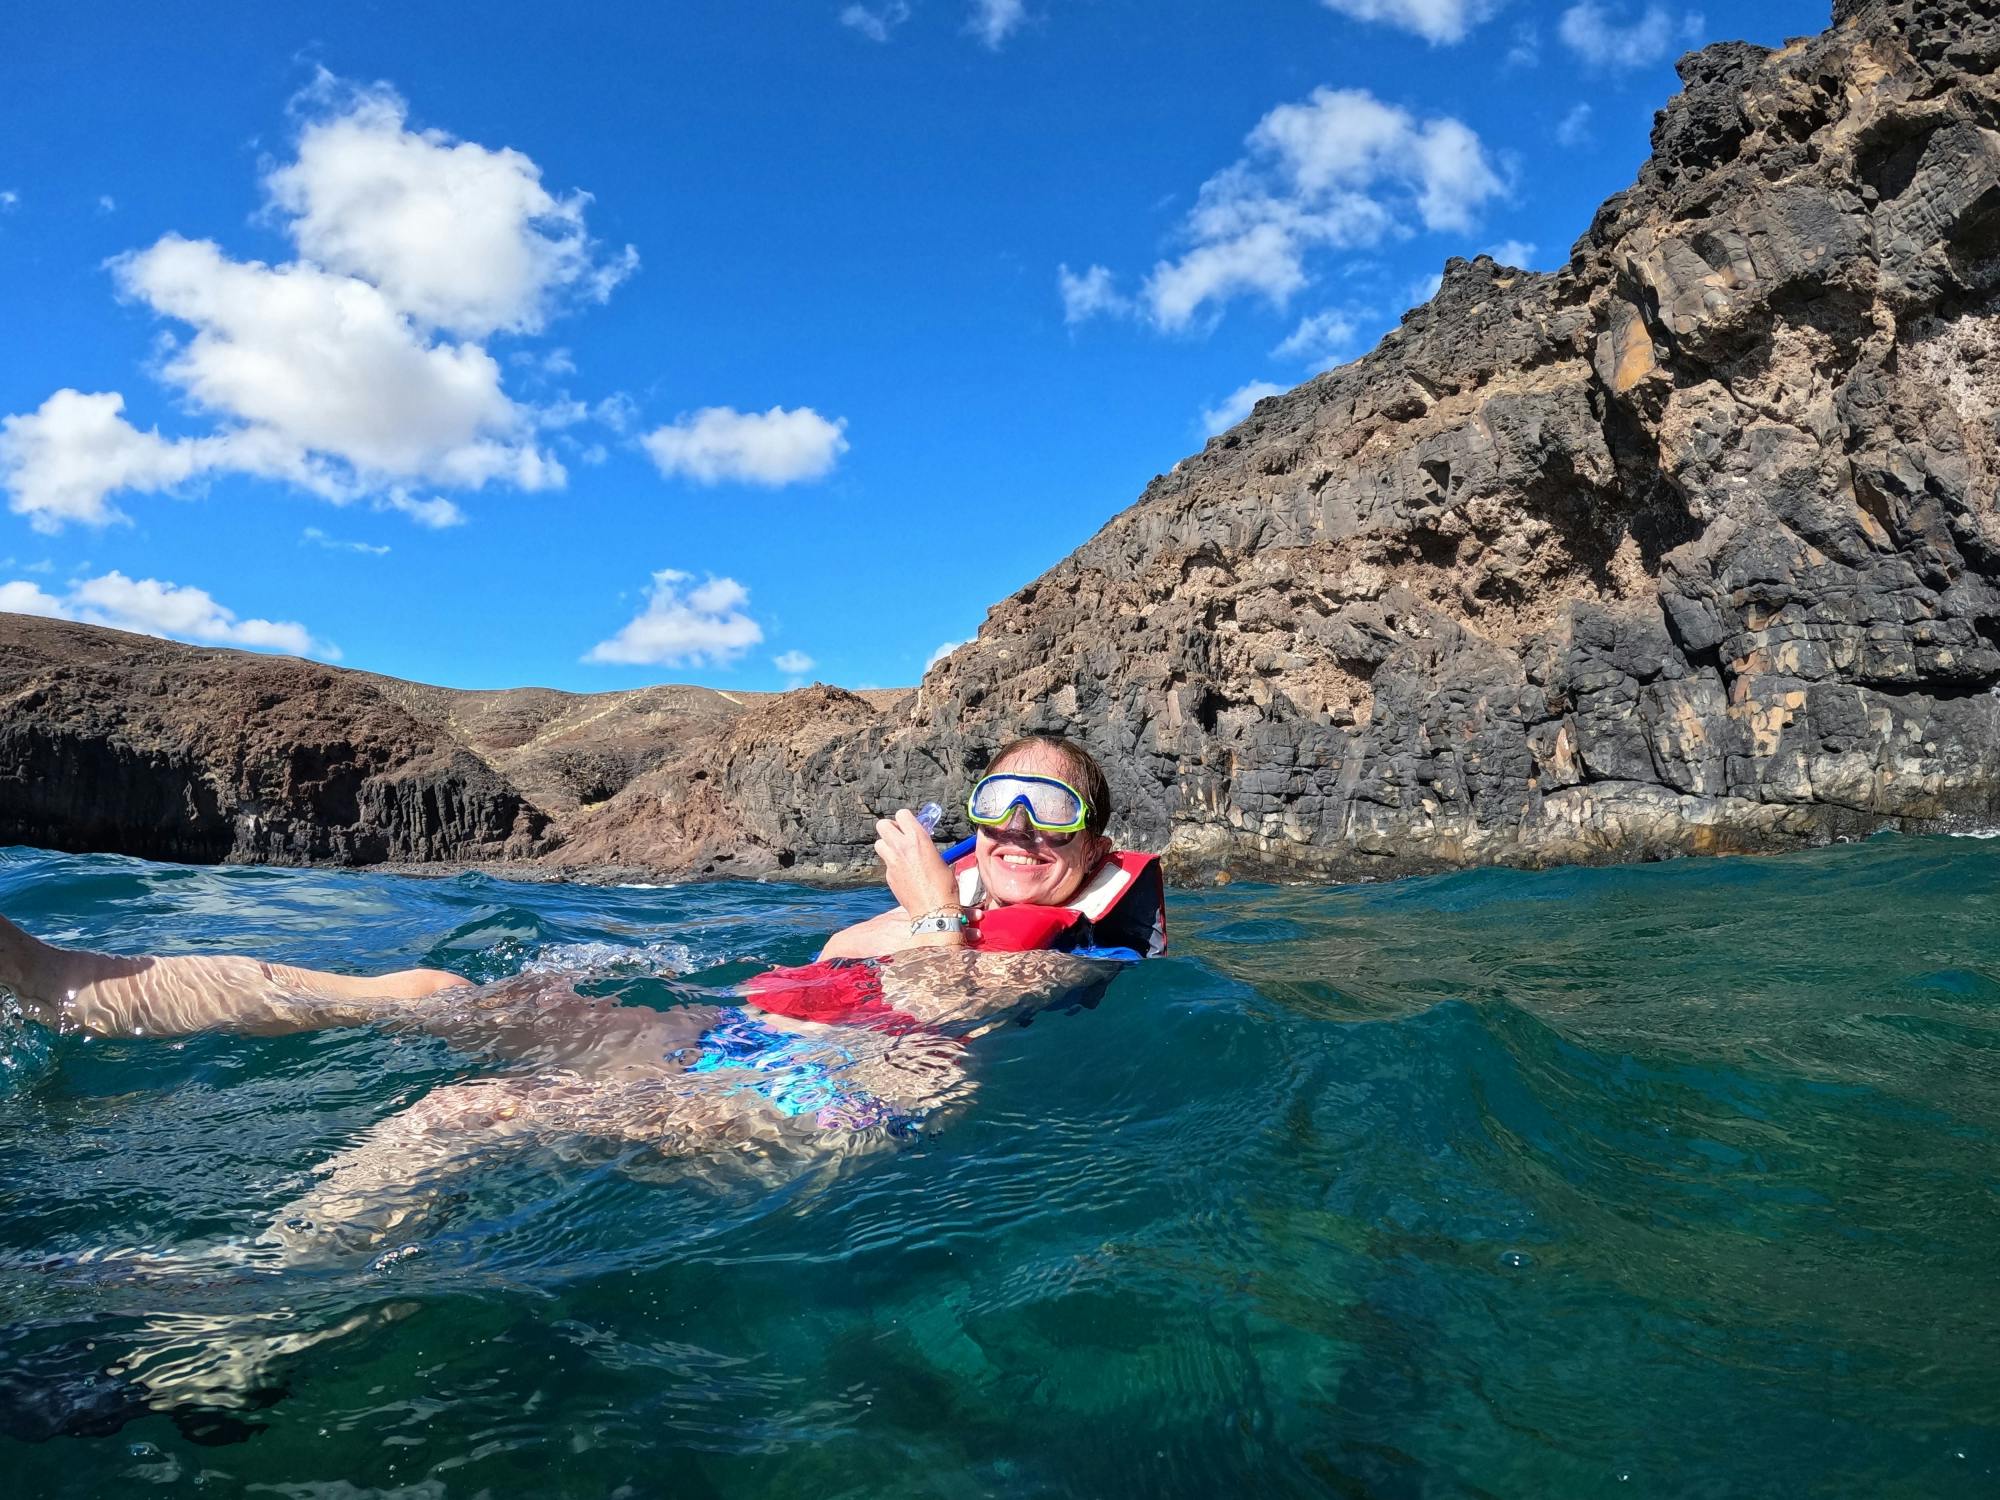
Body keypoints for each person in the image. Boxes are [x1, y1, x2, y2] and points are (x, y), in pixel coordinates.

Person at [0, 735, 1166, 1260]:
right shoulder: (918, 900)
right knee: (427, 986)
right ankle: (63, 981)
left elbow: (950, 1010)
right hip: (719, 1041)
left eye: (1049, 811)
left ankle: (243, 1311)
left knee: (462, 1116)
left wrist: (931, 913)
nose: (1017, 830)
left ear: (1092, 841)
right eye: (998, 799)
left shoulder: (1080, 949)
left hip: (843, 1103)